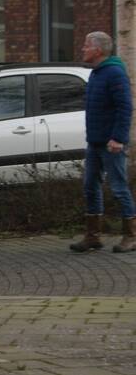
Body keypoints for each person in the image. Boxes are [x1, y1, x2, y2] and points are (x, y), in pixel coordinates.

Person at [70, 31, 135, 253]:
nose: (83, 49)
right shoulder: (97, 74)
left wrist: (118, 139)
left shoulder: (114, 73)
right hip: (95, 142)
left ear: (98, 50)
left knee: (118, 187)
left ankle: (131, 235)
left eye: (86, 45)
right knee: (90, 187)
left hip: (111, 144)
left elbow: (125, 107)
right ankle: (93, 236)